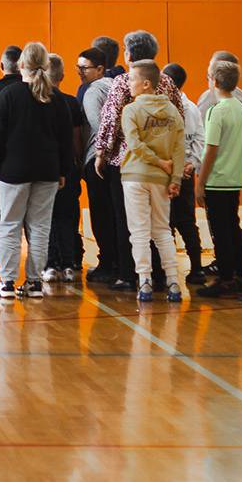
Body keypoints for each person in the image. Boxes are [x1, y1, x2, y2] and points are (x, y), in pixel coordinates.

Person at [0, 43, 75, 299]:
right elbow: (66, 140)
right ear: (46, 66)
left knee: (10, 225)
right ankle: (34, 282)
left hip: (14, 171)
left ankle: (8, 282)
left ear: (21, 65)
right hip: (48, 172)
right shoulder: (57, 99)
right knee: (40, 227)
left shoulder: (10, 95)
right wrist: (64, 169)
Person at [93, 31, 184, 292]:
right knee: (162, 225)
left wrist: (101, 153)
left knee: (130, 222)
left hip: (129, 164)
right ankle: (163, 276)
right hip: (164, 162)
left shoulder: (122, 82)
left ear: (129, 54)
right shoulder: (167, 82)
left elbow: (110, 121)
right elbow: (179, 119)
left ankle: (130, 274)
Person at [118, 60, 185, 304]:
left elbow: (134, 144)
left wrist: (157, 162)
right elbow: (179, 147)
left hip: (136, 176)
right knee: (162, 231)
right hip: (161, 179)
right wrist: (174, 175)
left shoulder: (131, 110)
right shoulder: (172, 111)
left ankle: (144, 280)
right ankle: (174, 282)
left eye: (132, 79)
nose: (128, 84)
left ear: (146, 84)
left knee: (139, 232)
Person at [195, 60, 242, 299]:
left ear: (215, 82)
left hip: (217, 179)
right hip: (234, 178)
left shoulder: (216, 111)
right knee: (233, 226)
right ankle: (241, 276)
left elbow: (210, 150)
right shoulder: (239, 107)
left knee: (221, 231)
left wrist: (200, 183)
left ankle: (226, 278)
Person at [73, 47, 122, 284]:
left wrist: (100, 156)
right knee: (115, 215)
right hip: (118, 161)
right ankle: (118, 262)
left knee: (101, 216)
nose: (79, 72)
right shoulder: (117, 87)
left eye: (84, 68)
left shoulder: (93, 92)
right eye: (78, 67)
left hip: (98, 160)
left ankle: (106, 263)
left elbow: (99, 127)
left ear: (100, 69)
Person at [43, 54, 87, 282]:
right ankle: (69, 263)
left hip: (45, 167)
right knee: (68, 215)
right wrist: (77, 161)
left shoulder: (38, 100)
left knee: (47, 217)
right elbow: (77, 138)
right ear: (62, 76)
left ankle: (51, 263)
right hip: (67, 165)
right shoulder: (71, 102)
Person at [162, 63, 207, 281]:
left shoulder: (178, 108)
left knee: (174, 222)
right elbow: (199, 139)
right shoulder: (190, 107)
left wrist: (187, 164)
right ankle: (188, 268)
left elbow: (194, 138)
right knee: (181, 221)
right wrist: (193, 162)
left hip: (174, 172)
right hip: (183, 170)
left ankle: (180, 268)